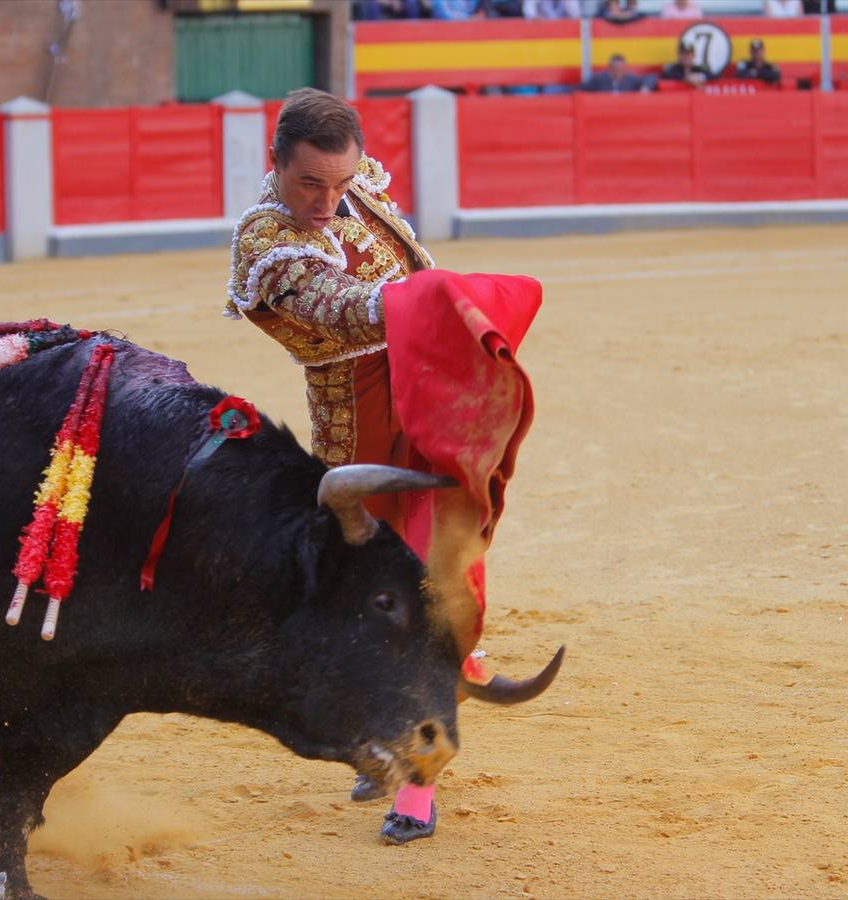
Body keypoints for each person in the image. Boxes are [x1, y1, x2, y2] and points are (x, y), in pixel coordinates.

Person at [227, 88, 542, 846]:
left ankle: (413, 782)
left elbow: (392, 270)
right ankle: (403, 727)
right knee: (379, 605)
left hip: (427, 396)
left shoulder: (355, 187)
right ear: (274, 167)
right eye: (310, 184)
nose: (328, 202)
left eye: (340, 183)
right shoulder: (268, 247)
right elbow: (346, 305)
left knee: (423, 587)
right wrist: (437, 301)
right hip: (360, 436)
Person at [581, 52, 656, 93]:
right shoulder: (599, 80)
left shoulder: (631, 80)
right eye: (615, 69)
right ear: (609, 68)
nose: (618, 72)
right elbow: (580, 88)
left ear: (625, 68)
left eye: (621, 69)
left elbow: (652, 77)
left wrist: (645, 87)